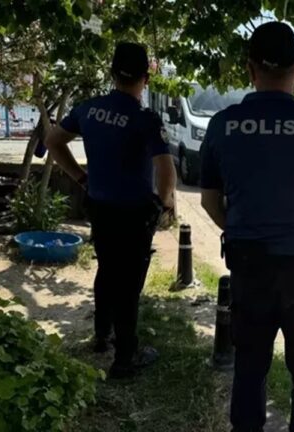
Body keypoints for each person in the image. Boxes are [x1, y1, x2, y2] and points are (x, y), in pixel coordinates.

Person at [199, 21, 294, 432]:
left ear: (250, 69)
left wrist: (238, 230)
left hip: (248, 264)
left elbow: (209, 201)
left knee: (250, 364)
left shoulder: (223, 124)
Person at [45, 42, 177, 378]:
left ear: (112, 73)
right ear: (146, 78)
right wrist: (165, 203)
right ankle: (125, 357)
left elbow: (53, 141)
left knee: (106, 269)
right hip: (134, 213)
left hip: (99, 206)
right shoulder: (145, 119)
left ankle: (102, 334)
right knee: (129, 284)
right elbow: (165, 168)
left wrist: (80, 177)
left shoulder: (88, 109)